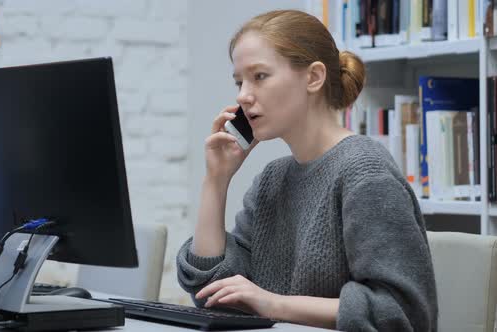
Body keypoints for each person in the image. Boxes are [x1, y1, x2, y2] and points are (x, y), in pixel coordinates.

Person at [176, 9, 438, 331]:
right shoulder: (272, 180)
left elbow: (401, 312)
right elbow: (212, 291)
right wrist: (216, 180)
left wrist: (273, 303)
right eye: (239, 81)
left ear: (313, 77)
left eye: (259, 76)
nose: (243, 95)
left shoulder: (366, 173)